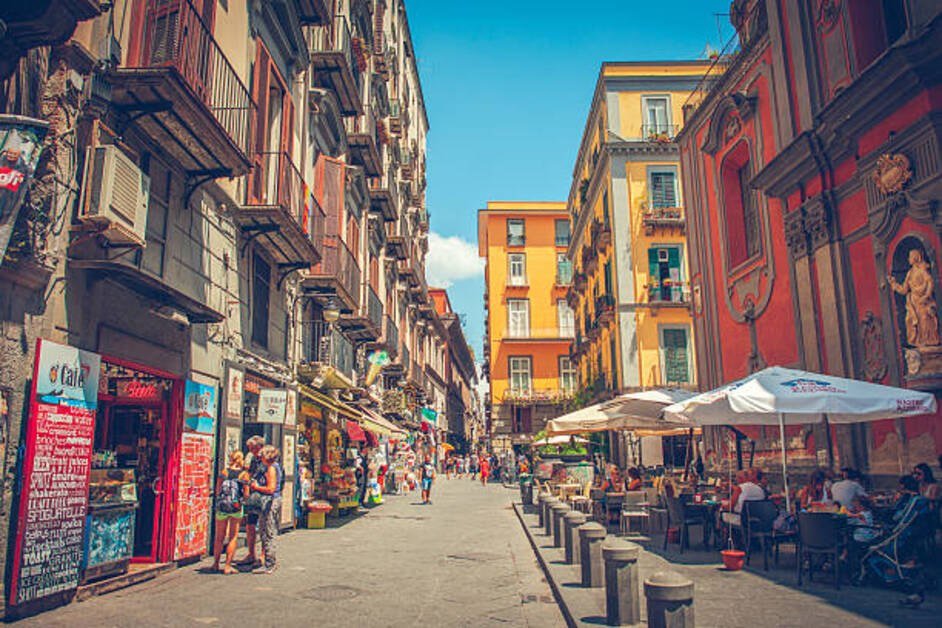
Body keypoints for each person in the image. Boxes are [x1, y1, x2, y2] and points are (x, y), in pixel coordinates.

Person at [212, 451, 249, 574]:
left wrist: (220, 501)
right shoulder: (244, 475)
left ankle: (216, 564)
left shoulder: (224, 472)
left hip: (222, 506)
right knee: (233, 536)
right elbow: (246, 493)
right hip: (236, 507)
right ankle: (227, 566)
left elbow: (217, 490)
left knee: (219, 536)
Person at [249, 445, 283, 574]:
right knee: (265, 530)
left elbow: (271, 488)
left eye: (262, 455)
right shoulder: (272, 467)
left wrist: (257, 487)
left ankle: (270, 563)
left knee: (268, 532)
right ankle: (269, 561)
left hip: (270, 501)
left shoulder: (271, 468)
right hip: (272, 501)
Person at [236, 435, 266, 567]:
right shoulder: (253, 458)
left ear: (259, 447)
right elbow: (249, 474)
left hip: (265, 495)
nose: (250, 450)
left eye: (252, 448)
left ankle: (264, 554)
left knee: (264, 526)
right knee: (250, 524)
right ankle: (251, 553)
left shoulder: (267, 458)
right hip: (253, 495)